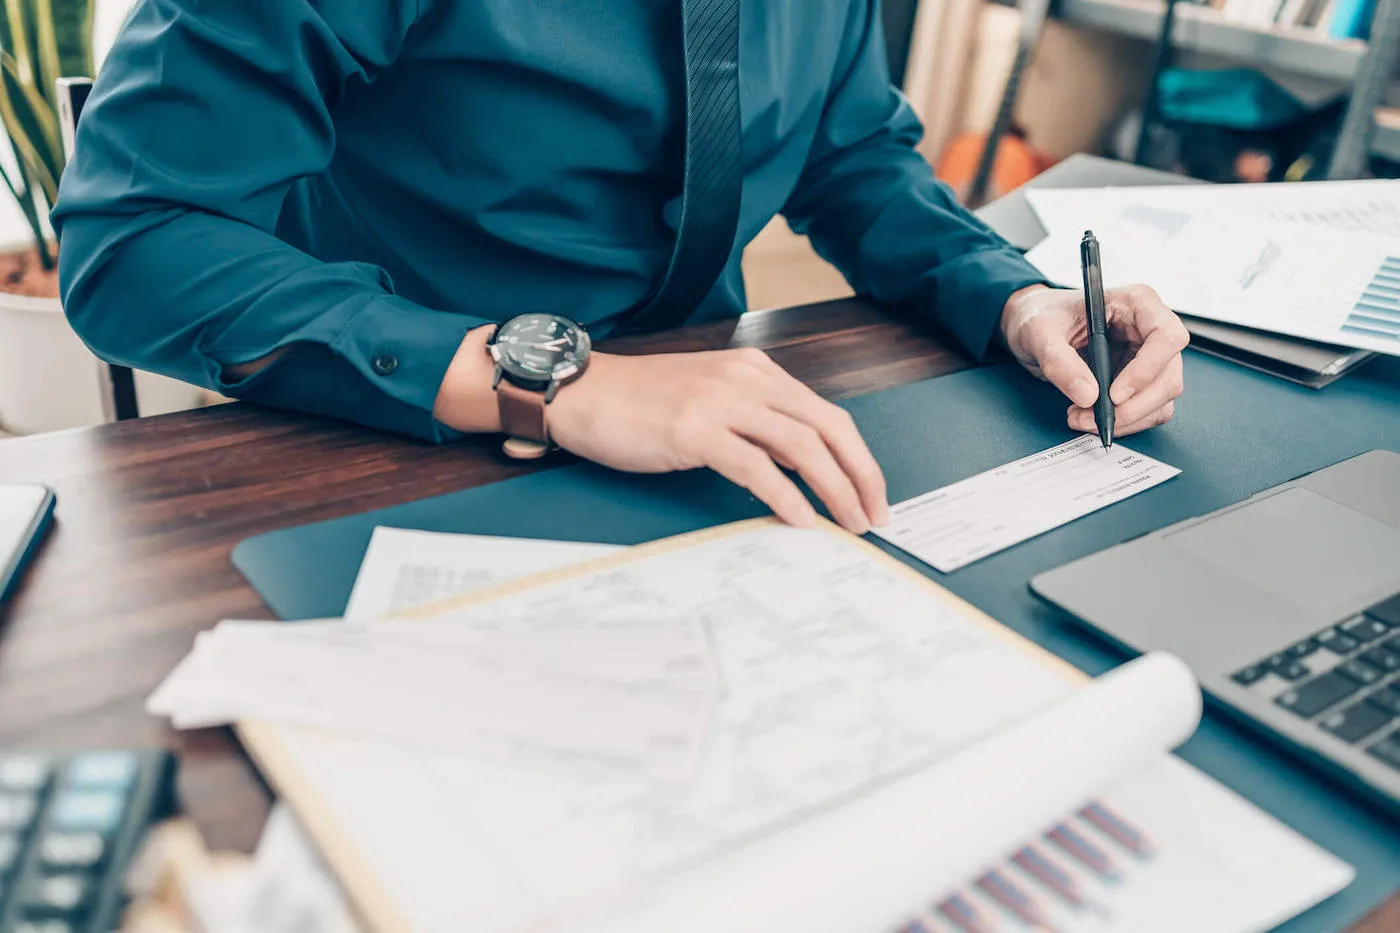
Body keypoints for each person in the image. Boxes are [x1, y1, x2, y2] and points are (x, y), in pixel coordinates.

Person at [53, 0, 1188, 537]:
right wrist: (558, 382)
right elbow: (133, 239)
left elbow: (850, 157)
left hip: (714, 439)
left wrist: (1012, 296)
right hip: (380, 436)